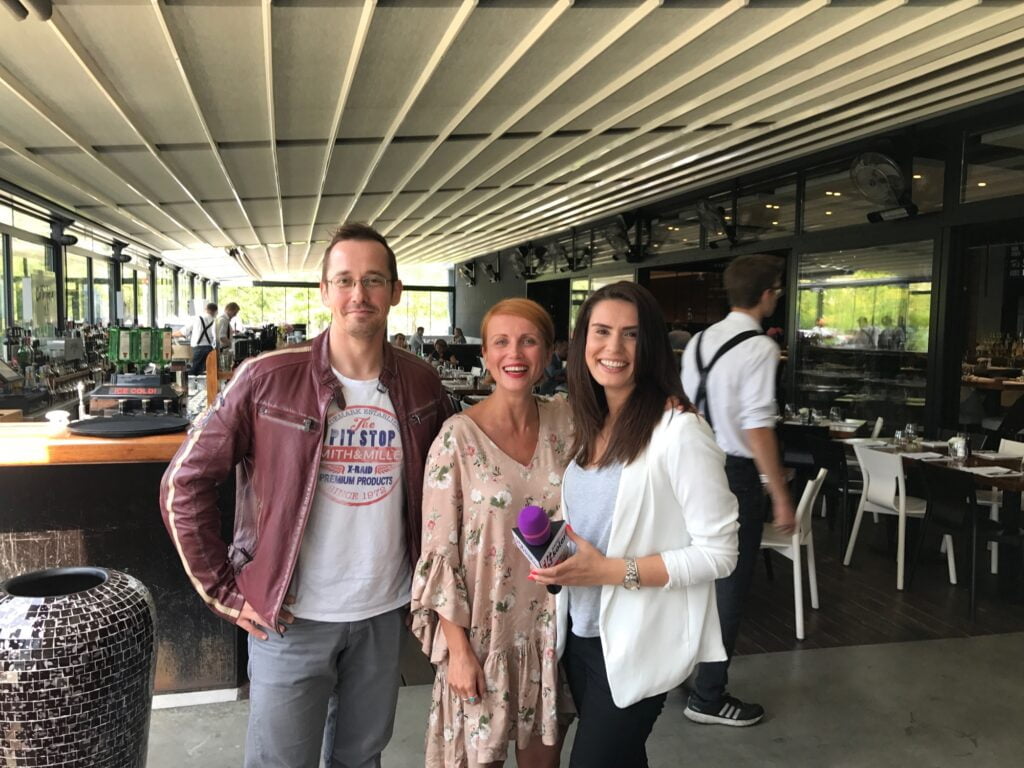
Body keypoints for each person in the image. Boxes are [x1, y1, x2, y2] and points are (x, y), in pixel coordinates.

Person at [160, 222, 453, 768]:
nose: (359, 294)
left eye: (373, 280)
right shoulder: (266, 378)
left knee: (361, 759)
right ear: (324, 291)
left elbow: (457, 478)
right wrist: (222, 590)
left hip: (383, 610)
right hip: (289, 616)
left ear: (395, 291)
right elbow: (184, 482)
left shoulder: (422, 384)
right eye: (344, 280)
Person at [531, 282, 739, 768]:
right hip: (581, 634)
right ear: (582, 341)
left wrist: (608, 571)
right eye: (602, 332)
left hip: (638, 640)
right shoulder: (592, 424)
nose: (615, 347)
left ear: (651, 346)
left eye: (631, 334)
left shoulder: (680, 431)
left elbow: (720, 554)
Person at [411, 298, 572, 768]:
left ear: (548, 352)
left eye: (528, 341)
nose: (514, 353)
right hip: (483, 639)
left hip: (550, 635)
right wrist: (458, 650)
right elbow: (439, 553)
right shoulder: (456, 438)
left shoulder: (568, 421)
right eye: (501, 342)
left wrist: (672, 401)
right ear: (484, 353)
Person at [680, 253, 795, 727]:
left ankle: (684, 673)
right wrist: (780, 494)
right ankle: (708, 696)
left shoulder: (698, 342)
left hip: (692, 467)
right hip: (735, 475)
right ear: (767, 294)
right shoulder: (761, 348)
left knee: (693, 578)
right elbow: (758, 426)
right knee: (728, 585)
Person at [179, 301, 218, 375]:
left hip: (198, 348)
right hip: (210, 348)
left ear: (206, 309)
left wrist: (171, 334)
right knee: (207, 372)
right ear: (215, 311)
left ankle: (189, 382)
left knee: (194, 371)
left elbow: (184, 332)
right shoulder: (215, 321)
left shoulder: (197, 318)